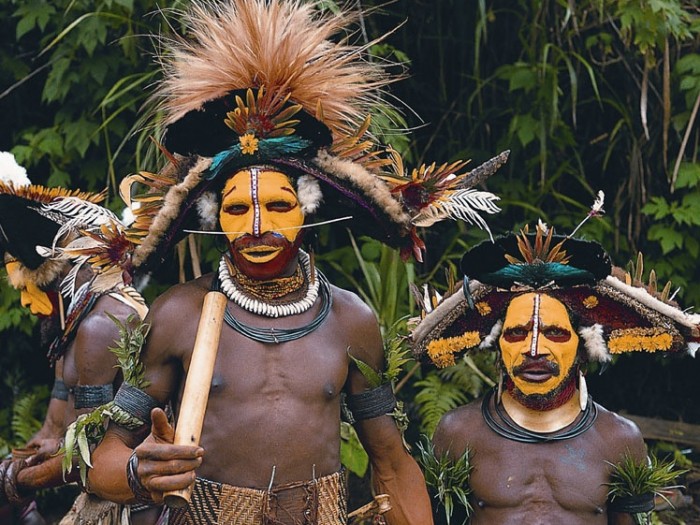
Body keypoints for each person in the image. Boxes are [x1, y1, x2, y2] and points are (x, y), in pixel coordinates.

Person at [87, 1, 506, 523]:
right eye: (238, 208)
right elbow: (104, 460)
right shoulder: (177, 315)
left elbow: (391, 463)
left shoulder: (350, 320)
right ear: (215, 217)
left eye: (278, 205)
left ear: (308, 211)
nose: (258, 225)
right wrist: (137, 473)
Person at [411, 220, 699, 524]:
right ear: (498, 344)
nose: (534, 349)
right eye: (517, 333)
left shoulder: (619, 440)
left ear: (583, 344)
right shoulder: (459, 432)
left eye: (555, 333)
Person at [0, 153, 156, 524]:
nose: (25, 300)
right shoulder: (67, 332)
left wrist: (16, 481)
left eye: (31, 287)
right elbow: (55, 428)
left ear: (61, 278)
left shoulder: (101, 327)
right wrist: (22, 457)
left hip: (135, 501)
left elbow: (93, 455)